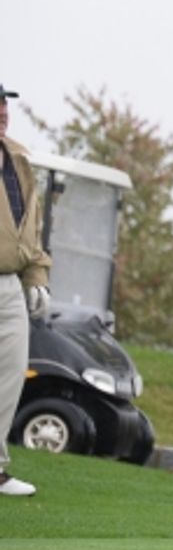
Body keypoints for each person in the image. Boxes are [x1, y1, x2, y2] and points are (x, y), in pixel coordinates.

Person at [0, 84, 52, 498]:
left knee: (8, 377)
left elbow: (30, 225)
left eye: (3, 103)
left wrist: (36, 277)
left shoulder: (17, 158)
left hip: (10, 283)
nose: (2, 111)